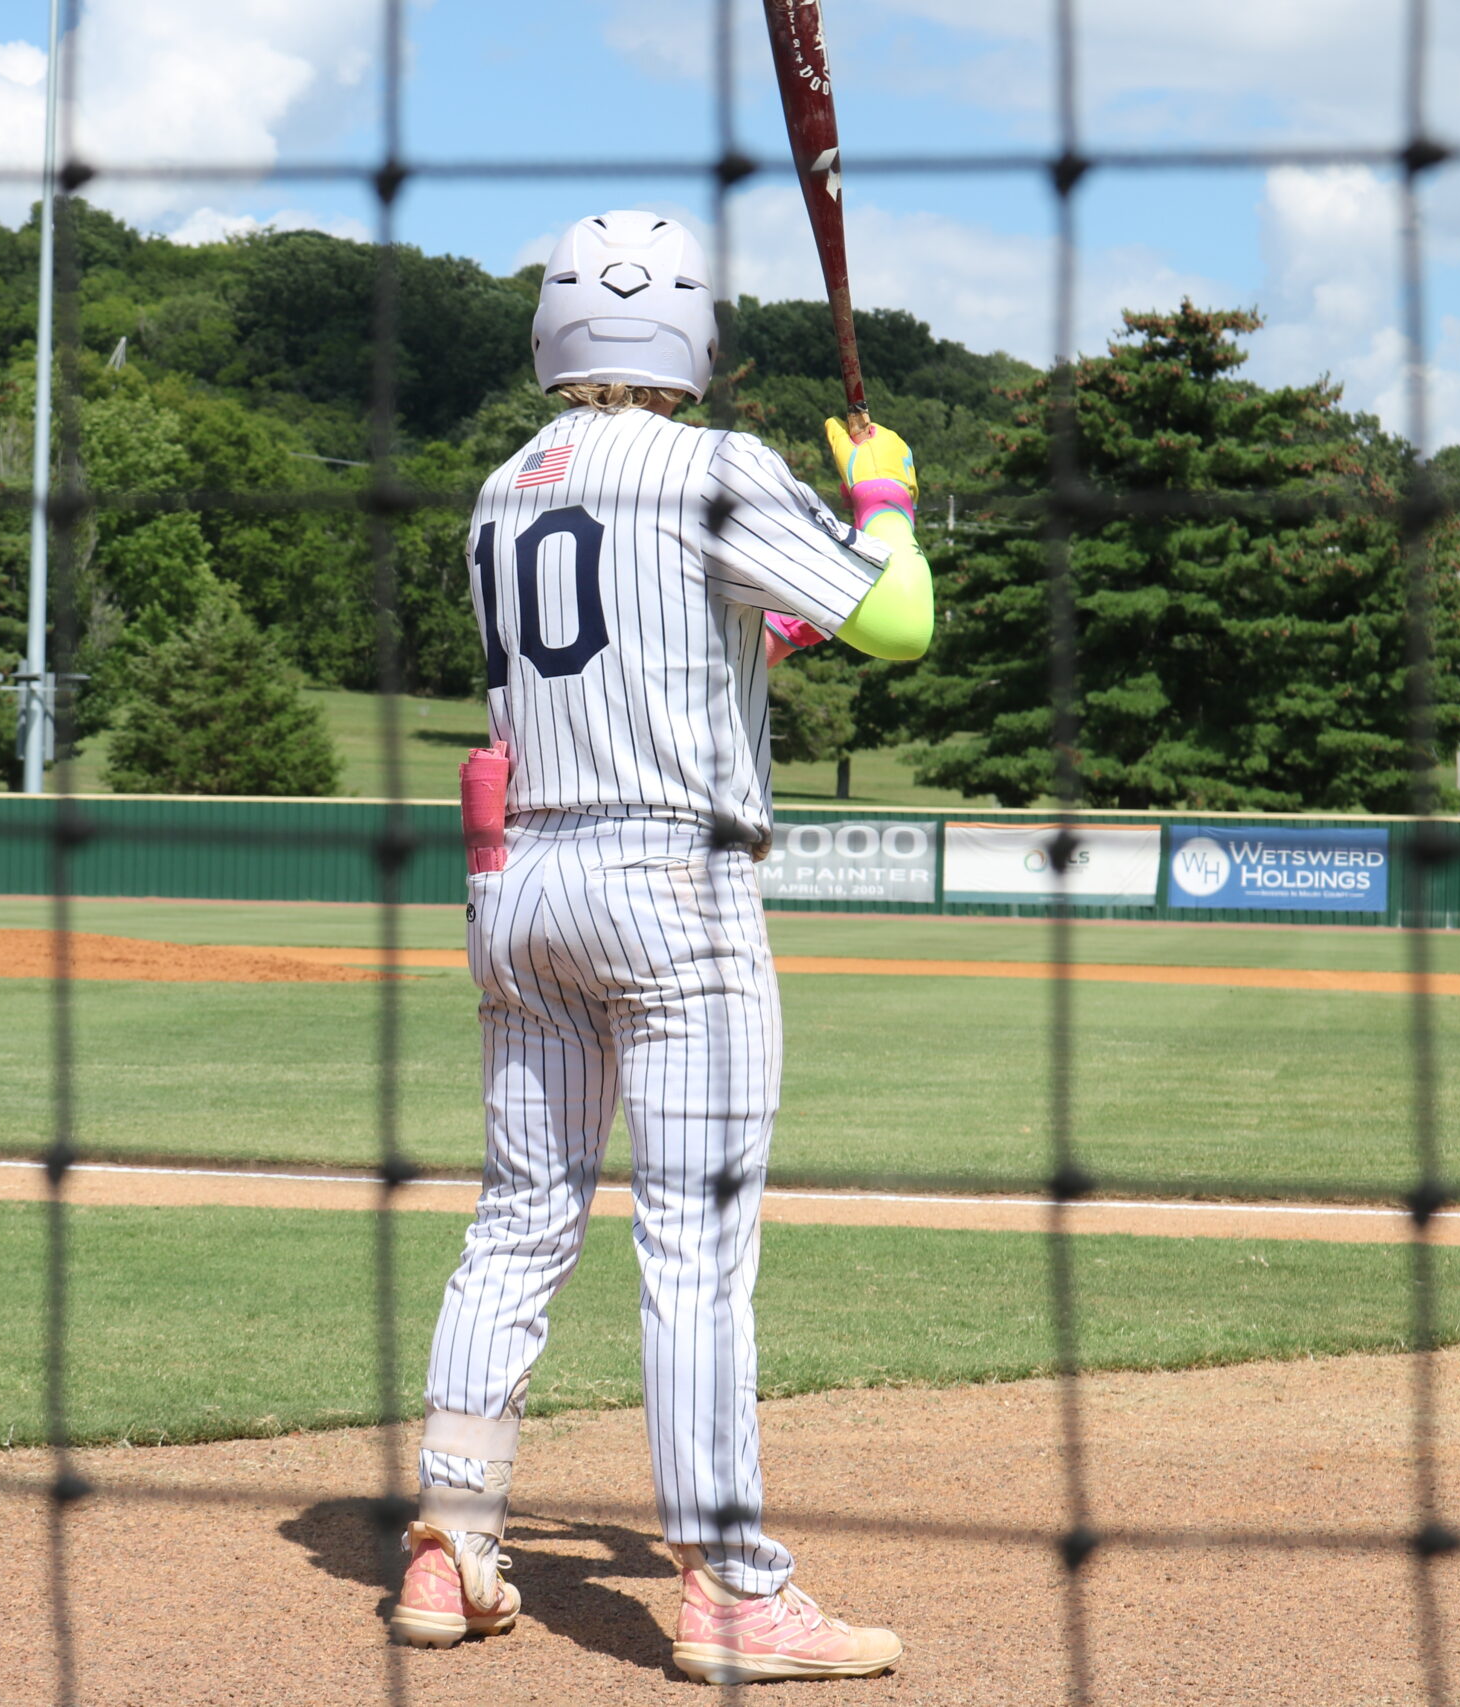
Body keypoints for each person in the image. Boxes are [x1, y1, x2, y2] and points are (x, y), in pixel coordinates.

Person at [388, 212, 932, 1684]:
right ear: (694, 330)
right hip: (673, 881)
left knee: (518, 1213)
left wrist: (791, 601)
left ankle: (451, 1539)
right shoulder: (716, 465)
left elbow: (698, 632)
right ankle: (734, 1583)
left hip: (522, 876)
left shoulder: (504, 487)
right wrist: (880, 505)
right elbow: (902, 622)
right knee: (695, 1244)